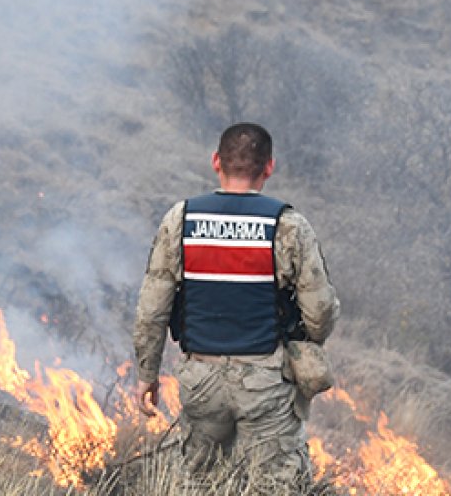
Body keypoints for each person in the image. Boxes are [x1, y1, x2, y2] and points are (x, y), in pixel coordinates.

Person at [133, 123, 340, 493]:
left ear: (216, 161)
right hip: (265, 380)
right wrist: (310, 339)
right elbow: (319, 311)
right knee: (277, 484)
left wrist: (148, 372)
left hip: (201, 379)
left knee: (200, 482)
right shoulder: (287, 225)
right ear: (269, 167)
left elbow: (152, 310)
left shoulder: (181, 220)